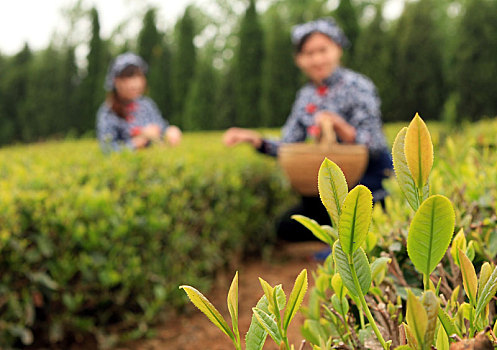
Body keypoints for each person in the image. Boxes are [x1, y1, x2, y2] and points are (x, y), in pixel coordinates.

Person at [223, 17, 393, 243]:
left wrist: (339, 125)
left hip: (368, 183)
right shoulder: (306, 96)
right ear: (299, 59)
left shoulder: (358, 86)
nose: (317, 59)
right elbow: (289, 145)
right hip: (328, 188)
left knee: (358, 226)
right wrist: (256, 140)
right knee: (286, 227)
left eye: (323, 50)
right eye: (308, 53)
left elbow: (373, 144)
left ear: (338, 50)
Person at [96, 52, 182, 152]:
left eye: (138, 76)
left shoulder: (147, 105)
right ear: (115, 82)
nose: (134, 84)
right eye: (127, 78)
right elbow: (107, 149)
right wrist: (136, 143)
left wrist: (170, 131)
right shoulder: (108, 112)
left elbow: (161, 127)